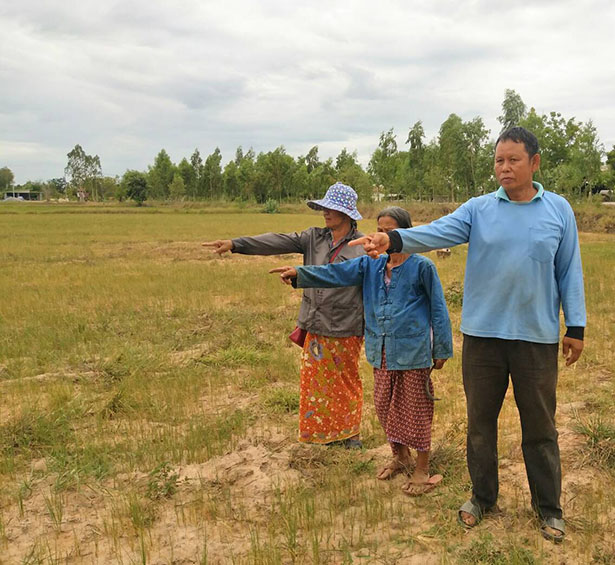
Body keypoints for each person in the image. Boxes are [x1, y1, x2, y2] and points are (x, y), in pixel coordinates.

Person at [350, 126, 586, 542]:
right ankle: (482, 497)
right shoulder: (478, 209)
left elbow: (569, 269)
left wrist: (576, 326)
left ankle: (548, 508)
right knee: (480, 424)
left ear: (534, 163)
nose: (505, 167)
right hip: (483, 338)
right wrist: (393, 239)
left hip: (536, 337)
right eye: (499, 160)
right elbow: (436, 232)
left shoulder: (558, 210)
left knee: (541, 427)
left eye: (514, 159)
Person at [270, 206, 453, 495]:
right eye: (378, 229)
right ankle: (399, 456)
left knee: (415, 409)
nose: (381, 235)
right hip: (381, 350)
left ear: (405, 232)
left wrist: (441, 348)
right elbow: (336, 272)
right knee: (384, 406)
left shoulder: (422, 267)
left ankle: (421, 468)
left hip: (413, 351)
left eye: (389, 229)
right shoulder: (371, 265)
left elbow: (439, 309)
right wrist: (300, 274)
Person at [203, 182, 366, 448]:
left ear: (347, 213)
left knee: (345, 382)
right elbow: (277, 240)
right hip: (315, 322)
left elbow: (354, 280)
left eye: (331, 208)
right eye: (323, 207)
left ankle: (349, 435)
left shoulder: (362, 246)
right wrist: (236, 244)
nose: (325, 213)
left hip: (346, 323)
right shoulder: (313, 237)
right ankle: (323, 435)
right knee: (316, 384)